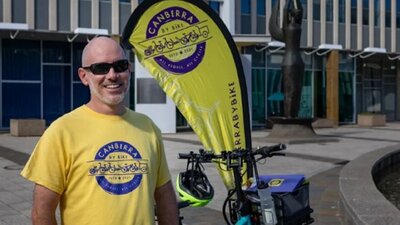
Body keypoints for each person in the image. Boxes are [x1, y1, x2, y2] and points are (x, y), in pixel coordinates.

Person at [21, 36, 179, 225]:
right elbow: (42, 213)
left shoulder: (148, 128)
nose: (112, 75)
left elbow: (164, 195)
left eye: (120, 66)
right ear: (84, 76)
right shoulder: (62, 131)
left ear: (128, 70)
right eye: (101, 68)